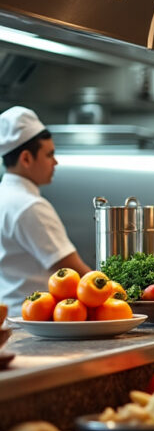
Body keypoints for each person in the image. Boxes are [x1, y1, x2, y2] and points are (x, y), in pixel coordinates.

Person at [0, 106, 90, 308]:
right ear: (26, 158)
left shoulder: (4, 197)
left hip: (9, 318)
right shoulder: (30, 206)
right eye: (49, 154)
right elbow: (74, 272)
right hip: (34, 322)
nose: (55, 162)